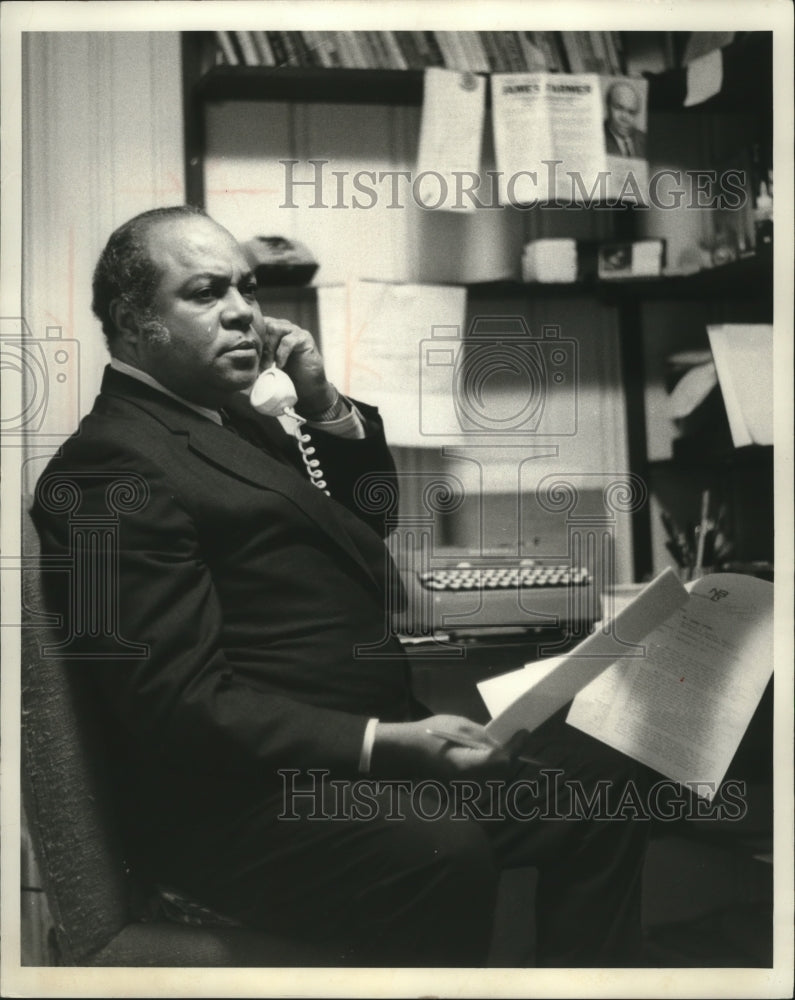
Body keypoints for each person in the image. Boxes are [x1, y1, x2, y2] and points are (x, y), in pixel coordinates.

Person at [31, 206, 649, 968]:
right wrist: (379, 744)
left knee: (597, 790)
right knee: (439, 850)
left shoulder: (238, 421)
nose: (244, 313)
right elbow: (172, 700)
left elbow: (368, 522)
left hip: (360, 759)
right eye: (206, 292)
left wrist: (321, 405)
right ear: (134, 322)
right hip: (245, 802)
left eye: (248, 288)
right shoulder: (108, 467)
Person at [603, 81, 647, 159]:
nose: (625, 117)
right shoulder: (596, 137)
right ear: (607, 106)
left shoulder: (644, 140)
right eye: (619, 108)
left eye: (631, 112)